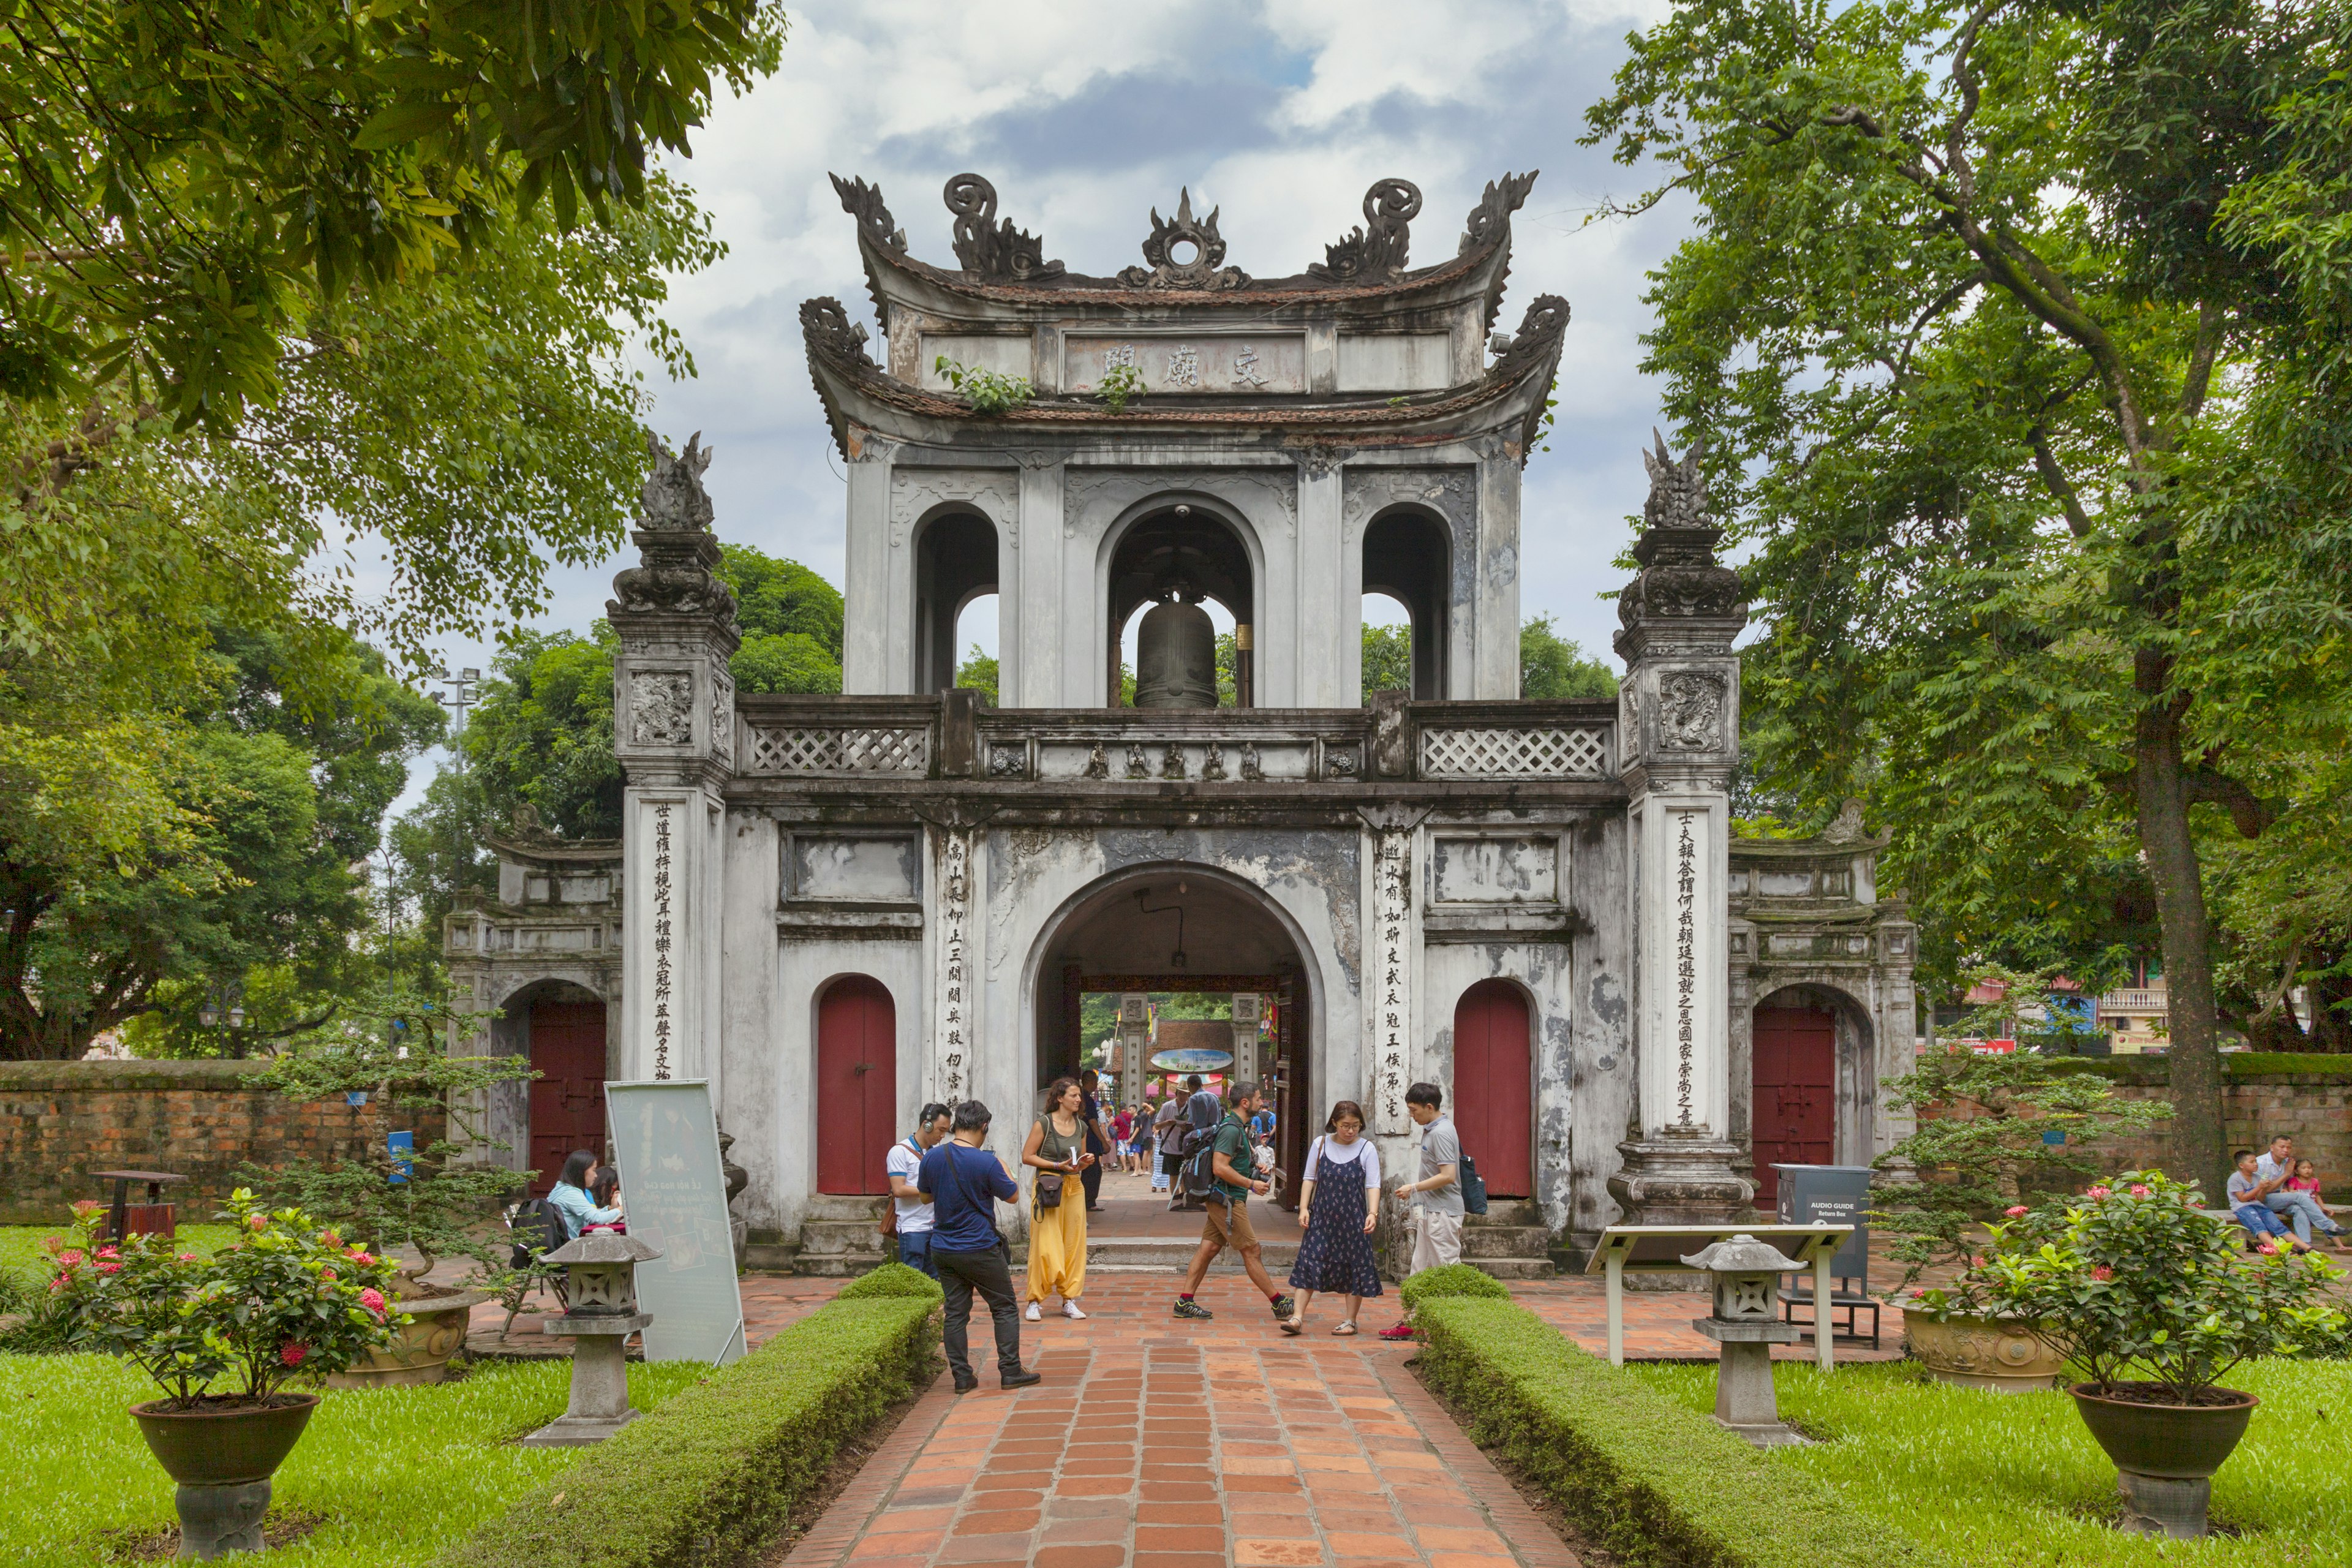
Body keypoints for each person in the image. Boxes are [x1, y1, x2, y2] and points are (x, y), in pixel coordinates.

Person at [917, 1100, 1040, 1392]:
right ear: (984, 1127)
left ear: (958, 1124)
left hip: (944, 1248)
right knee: (1004, 1307)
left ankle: (962, 1377)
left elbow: (924, 1198)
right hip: (980, 1248)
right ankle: (1010, 1371)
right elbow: (1012, 1197)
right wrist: (1003, 1166)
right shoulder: (987, 1162)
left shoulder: (933, 1157)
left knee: (956, 1312)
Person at [1171, 1080, 1295, 1322]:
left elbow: (1232, 1162)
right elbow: (1219, 1167)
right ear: (1245, 1102)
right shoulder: (1231, 1129)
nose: (1262, 1103)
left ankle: (1184, 1301)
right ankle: (1279, 1303)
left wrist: (1252, 1168)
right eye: (1259, 1099)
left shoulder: (1238, 1127)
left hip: (1226, 1198)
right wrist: (1251, 1183)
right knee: (1252, 1250)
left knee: (1209, 1248)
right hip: (1228, 1201)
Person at [1283, 1100, 1383, 1336]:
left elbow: (1373, 1184)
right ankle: (1296, 1317)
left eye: (1356, 1126)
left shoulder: (1366, 1149)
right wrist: (1304, 1208)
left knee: (1353, 1268)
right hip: (1322, 1218)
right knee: (1309, 1261)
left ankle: (1350, 1321)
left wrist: (1373, 1213)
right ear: (1334, 1123)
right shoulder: (1320, 1145)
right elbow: (1310, 1178)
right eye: (1346, 1125)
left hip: (1354, 1220)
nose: (1350, 1131)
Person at [1381, 1082, 1461, 1340]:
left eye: (1414, 1110)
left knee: (1446, 1270)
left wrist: (1413, 1187)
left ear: (1430, 1107)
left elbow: (1448, 1176)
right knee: (1420, 1270)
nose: (1411, 1115)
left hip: (1443, 1212)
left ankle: (1456, 1328)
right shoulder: (1433, 1129)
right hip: (1431, 1210)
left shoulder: (1441, 1133)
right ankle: (1414, 1321)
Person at [1022, 1077, 1095, 1320]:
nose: (1078, 1099)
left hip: (1074, 1187)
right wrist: (1056, 1164)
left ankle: (1069, 1299)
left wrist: (1084, 1163)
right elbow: (1027, 1156)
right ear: (1060, 1098)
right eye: (1073, 1095)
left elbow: (1078, 1163)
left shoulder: (1082, 1126)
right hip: (1048, 1187)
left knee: (1073, 1246)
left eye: (1079, 1096)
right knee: (1045, 1246)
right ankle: (1034, 1300)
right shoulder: (1043, 1124)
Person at [886, 1102, 954, 1279]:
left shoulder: (936, 1153)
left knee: (936, 1280)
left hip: (935, 1225)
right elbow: (899, 1189)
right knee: (913, 1280)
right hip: (912, 1227)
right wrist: (933, 1191)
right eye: (940, 1130)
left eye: (946, 1131)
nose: (942, 1135)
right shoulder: (900, 1152)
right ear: (927, 1125)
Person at [2253, 1135, 2349, 1250]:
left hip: (2280, 1199)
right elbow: (2264, 1189)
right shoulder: (2261, 1163)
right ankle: (2329, 1226)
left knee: (2299, 1210)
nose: (2285, 1150)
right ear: (2272, 1147)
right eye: (2282, 1147)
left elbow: (2287, 1184)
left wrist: (2285, 1188)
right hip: (2261, 1200)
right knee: (2298, 1196)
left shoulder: (2287, 1162)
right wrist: (2286, 1174)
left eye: (2289, 1147)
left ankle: (2305, 1246)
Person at [2227, 1149, 2310, 1253]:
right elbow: (2242, 1199)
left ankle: (2308, 1248)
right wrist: (2259, 1187)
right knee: (2259, 1226)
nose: (2255, 1164)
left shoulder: (2257, 1177)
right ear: (2241, 1165)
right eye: (2252, 1162)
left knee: (2277, 1225)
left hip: (2258, 1205)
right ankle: (2278, 1249)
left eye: (2256, 1161)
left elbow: (2260, 1199)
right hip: (2242, 1207)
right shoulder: (2235, 1178)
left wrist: (2264, 1189)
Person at [546, 1149, 622, 1242]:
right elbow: (597, 1219)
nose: (596, 1176)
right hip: (571, 1247)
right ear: (582, 1171)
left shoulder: (561, 1188)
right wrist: (622, 1209)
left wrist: (610, 1209)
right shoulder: (570, 1193)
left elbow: (591, 1216)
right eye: (593, 1170)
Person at [1078, 1069, 1114, 1212]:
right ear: (1093, 1082)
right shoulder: (1087, 1098)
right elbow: (1093, 1122)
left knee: (1089, 1170)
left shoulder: (1082, 1097)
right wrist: (1104, 1141)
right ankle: (1088, 1202)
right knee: (1093, 1170)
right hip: (1090, 1139)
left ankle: (1086, 1201)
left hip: (1085, 1137)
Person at [1150, 1094, 1184, 1193]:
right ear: (1177, 1094)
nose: (1184, 1096)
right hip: (1170, 1147)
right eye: (1182, 1093)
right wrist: (1167, 1123)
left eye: (1186, 1094)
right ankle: (1176, 1198)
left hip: (1185, 1147)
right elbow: (1157, 1126)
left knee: (1185, 1176)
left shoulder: (1190, 1106)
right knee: (1173, 1175)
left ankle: (1185, 1198)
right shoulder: (1167, 1106)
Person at [583, 1167, 626, 1234]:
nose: (612, 1195)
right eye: (613, 1190)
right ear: (604, 1186)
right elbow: (596, 1218)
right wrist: (621, 1208)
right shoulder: (586, 1196)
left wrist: (611, 1208)